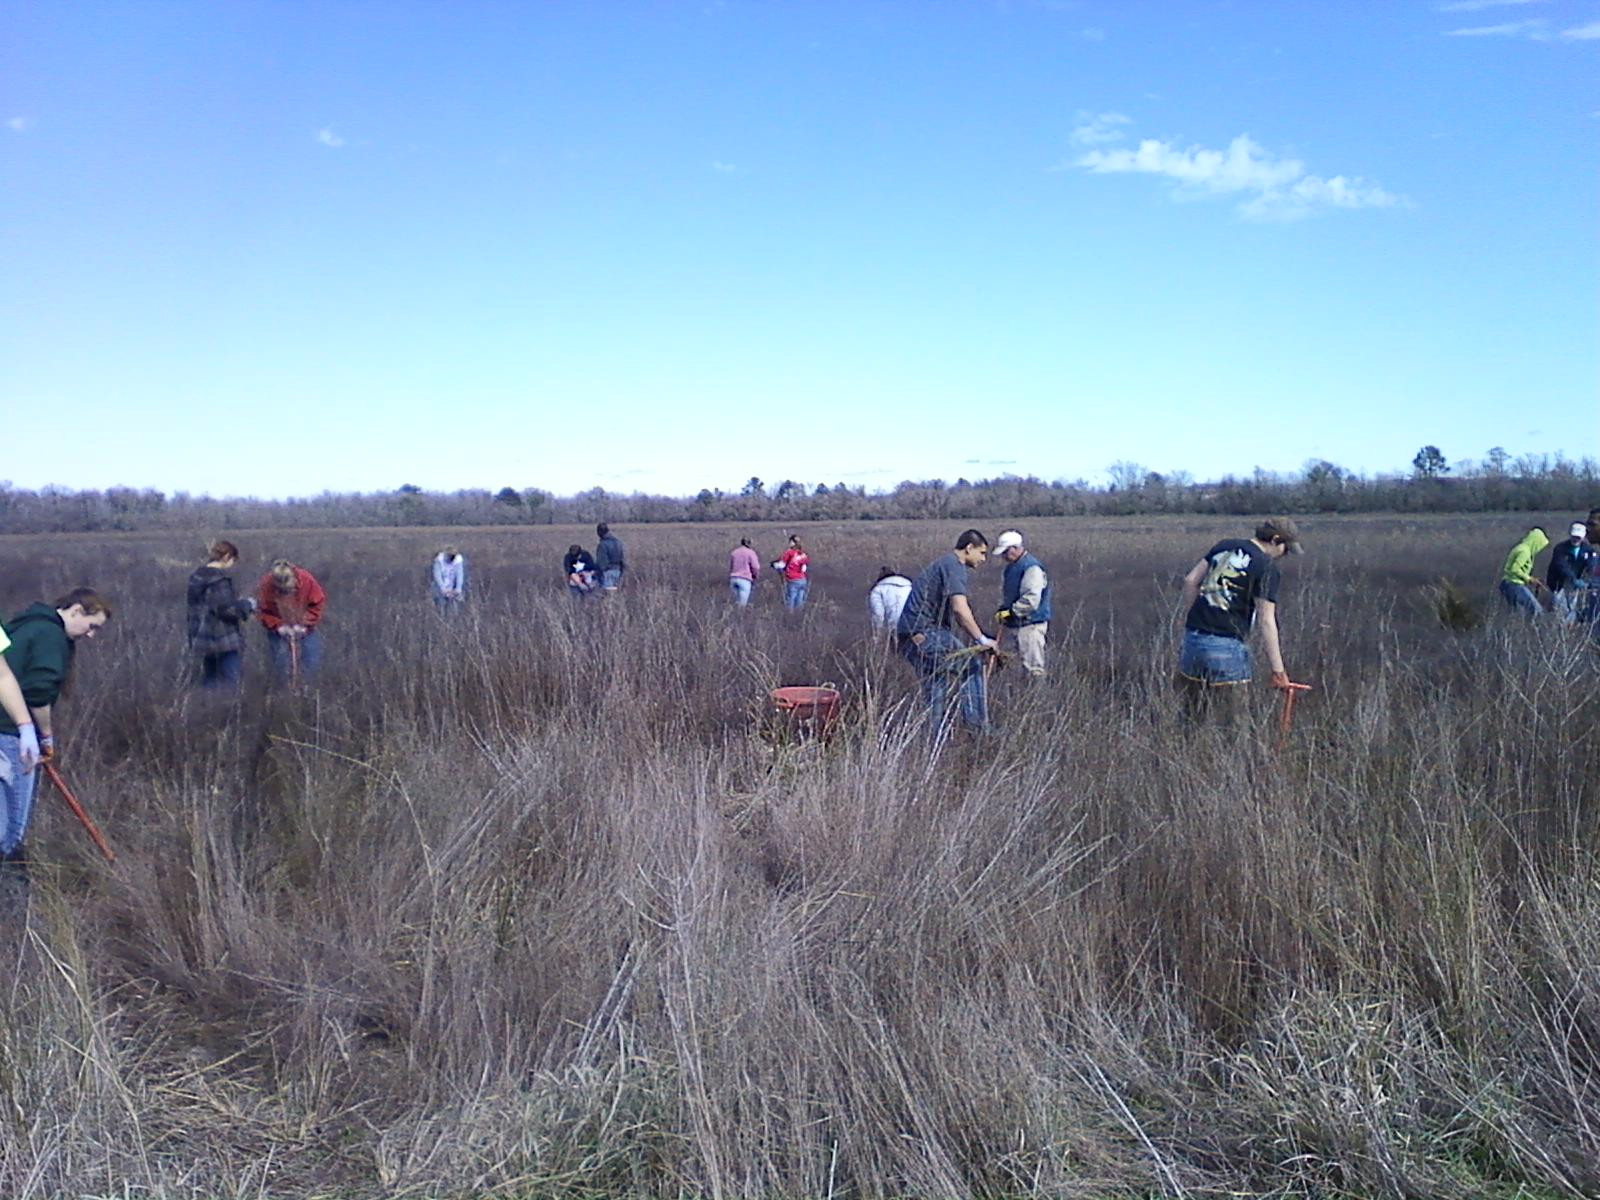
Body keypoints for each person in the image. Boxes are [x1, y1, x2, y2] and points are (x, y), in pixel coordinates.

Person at [0, 589, 113, 863]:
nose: (91, 635)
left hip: (14, 727)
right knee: (9, 832)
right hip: (8, 734)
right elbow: (38, 692)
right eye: (92, 626)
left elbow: (3, 674)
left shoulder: (29, 623)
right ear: (75, 611)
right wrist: (42, 735)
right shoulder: (51, 636)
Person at [1177, 518, 1300, 717]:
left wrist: (1193, 620)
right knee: (1231, 724)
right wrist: (1279, 672)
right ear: (1276, 540)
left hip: (1192, 640)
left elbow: (1191, 581)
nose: (1284, 555)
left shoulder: (1224, 546)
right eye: (1286, 549)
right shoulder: (1266, 567)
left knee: (1191, 717)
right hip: (1227, 647)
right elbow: (1266, 621)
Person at [896, 530, 996, 739]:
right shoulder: (954, 565)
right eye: (982, 553)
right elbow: (960, 609)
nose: (983, 559)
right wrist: (982, 640)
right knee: (973, 665)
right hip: (924, 633)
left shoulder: (944, 564)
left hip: (910, 637)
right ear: (969, 548)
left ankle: (934, 743)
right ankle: (979, 731)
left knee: (936, 686)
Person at [186, 540, 256, 688]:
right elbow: (226, 609)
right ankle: (229, 710)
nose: (232, 564)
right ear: (226, 557)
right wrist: (247, 605)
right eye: (232, 560)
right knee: (232, 682)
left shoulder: (196, 577)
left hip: (202, 638)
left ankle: (207, 709)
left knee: (209, 680)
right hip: (222, 640)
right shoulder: (219, 580)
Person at [993, 530, 1052, 678]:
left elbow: (1031, 599)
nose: (1004, 556)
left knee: (1033, 669)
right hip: (1015, 625)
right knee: (1015, 668)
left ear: (1015, 548)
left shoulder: (1032, 567)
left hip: (1030, 625)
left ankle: (1038, 698)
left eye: (1006, 552)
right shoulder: (1011, 568)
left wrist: (1012, 612)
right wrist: (1004, 609)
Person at [258, 559, 327, 681]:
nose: (287, 594)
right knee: (281, 666)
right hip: (277, 631)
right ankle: (284, 693)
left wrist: (304, 623)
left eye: (290, 590)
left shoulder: (307, 580)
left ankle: (308, 692)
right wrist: (279, 626)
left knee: (311, 665)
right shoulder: (266, 584)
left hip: (306, 630)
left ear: (295, 580)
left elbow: (318, 604)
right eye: (282, 591)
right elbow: (263, 611)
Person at [1546, 523, 1595, 624]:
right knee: (1560, 608)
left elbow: (1592, 565)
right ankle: (1559, 630)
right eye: (1574, 536)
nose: (1575, 539)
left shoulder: (1588, 550)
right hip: (1558, 584)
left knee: (1573, 608)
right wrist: (1573, 579)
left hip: (1575, 585)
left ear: (1583, 537)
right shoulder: (1560, 549)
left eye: (1578, 537)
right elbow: (1562, 566)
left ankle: (1569, 630)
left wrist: (1589, 579)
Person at [1499, 527, 1549, 617]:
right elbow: (1515, 569)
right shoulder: (1525, 551)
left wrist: (1532, 579)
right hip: (1514, 584)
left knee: (1517, 614)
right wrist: (1530, 579)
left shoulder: (1521, 547)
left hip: (1508, 584)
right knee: (1536, 610)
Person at [868, 567, 913, 633]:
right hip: (915, 623)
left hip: (896, 627)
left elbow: (878, 615)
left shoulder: (877, 590)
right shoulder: (911, 586)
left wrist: (878, 634)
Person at [775, 535, 810, 610]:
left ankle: (790, 617)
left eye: (790, 541)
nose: (789, 543)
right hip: (802, 580)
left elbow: (781, 565)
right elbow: (804, 568)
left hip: (792, 580)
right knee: (800, 600)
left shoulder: (789, 553)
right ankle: (799, 616)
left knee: (791, 600)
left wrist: (775, 565)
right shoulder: (803, 554)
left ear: (794, 543)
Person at [430, 546, 467, 616]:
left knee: (455, 609)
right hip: (440, 589)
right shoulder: (439, 560)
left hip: (452, 589)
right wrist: (443, 589)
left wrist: (458, 589)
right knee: (440, 608)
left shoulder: (458, 561)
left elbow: (459, 575)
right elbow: (437, 576)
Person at [729, 537, 761, 606]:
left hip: (733, 578)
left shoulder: (734, 552)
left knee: (734, 603)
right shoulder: (751, 553)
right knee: (742, 604)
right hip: (745, 580)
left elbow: (731, 566)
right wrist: (755, 576)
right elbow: (755, 567)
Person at [595, 523, 626, 592]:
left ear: (599, 532)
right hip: (618, 571)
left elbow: (602, 562)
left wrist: (599, 572)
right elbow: (623, 558)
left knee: (607, 593)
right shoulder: (618, 542)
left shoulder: (603, 544)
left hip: (608, 572)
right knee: (615, 592)